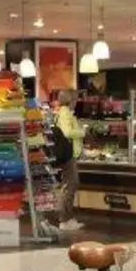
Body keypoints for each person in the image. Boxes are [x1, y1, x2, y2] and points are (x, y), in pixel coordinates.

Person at [51, 90, 83, 225]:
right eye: (76, 100)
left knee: (70, 184)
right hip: (68, 154)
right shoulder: (65, 114)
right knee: (71, 184)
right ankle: (65, 219)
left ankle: (68, 218)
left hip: (68, 153)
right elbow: (67, 132)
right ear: (71, 100)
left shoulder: (63, 113)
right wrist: (82, 132)